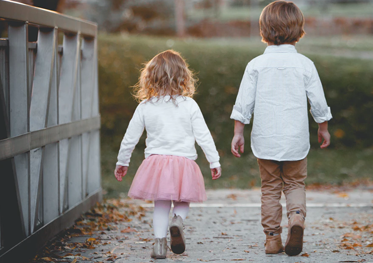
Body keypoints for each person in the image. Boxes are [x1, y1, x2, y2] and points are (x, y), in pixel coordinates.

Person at [230, 0, 332, 256]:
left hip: (266, 140)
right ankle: (296, 218)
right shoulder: (305, 64)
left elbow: (244, 103)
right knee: (295, 184)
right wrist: (323, 127)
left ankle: (273, 238)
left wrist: (238, 132)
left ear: (264, 30)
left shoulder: (255, 65)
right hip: (295, 140)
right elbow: (318, 101)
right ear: (298, 30)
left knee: (270, 188)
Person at [114, 50, 222, 259]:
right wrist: (214, 160)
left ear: (150, 77)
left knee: (160, 204)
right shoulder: (189, 105)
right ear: (183, 76)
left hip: (156, 164)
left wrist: (122, 161)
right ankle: (178, 221)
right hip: (184, 163)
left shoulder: (145, 107)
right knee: (183, 200)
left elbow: (130, 137)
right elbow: (203, 136)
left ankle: (159, 246)